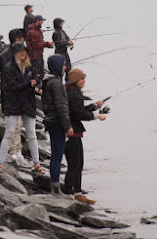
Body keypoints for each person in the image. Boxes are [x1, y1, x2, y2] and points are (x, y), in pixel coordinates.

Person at [0, 42, 44, 175]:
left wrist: (37, 87)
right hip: (13, 104)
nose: (23, 53)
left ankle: (37, 164)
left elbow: (37, 81)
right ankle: (0, 163)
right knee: (9, 133)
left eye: (25, 51)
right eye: (20, 51)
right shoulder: (9, 68)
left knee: (32, 135)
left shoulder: (31, 67)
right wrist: (29, 84)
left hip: (28, 104)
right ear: (15, 53)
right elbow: (13, 87)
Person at [64, 68, 106, 205]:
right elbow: (79, 115)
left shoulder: (71, 91)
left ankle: (75, 192)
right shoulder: (74, 94)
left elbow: (78, 110)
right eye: (82, 79)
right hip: (72, 134)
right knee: (75, 164)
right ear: (76, 80)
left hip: (72, 133)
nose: (84, 81)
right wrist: (97, 116)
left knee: (76, 164)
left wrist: (94, 106)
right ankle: (71, 194)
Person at [0, 28, 31, 167]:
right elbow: (9, 80)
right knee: (13, 127)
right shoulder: (5, 56)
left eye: (22, 38)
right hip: (11, 96)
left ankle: (17, 153)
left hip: (20, 96)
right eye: (18, 38)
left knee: (19, 126)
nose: (21, 40)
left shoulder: (21, 55)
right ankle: (13, 154)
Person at [42, 54, 73, 195]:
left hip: (51, 122)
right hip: (56, 124)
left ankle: (54, 184)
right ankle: (55, 187)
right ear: (57, 66)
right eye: (63, 65)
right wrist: (67, 127)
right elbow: (61, 107)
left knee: (56, 154)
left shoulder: (48, 81)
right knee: (57, 155)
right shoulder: (56, 84)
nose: (65, 67)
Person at [26, 15, 53, 80]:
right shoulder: (32, 32)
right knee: (36, 76)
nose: (42, 23)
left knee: (41, 75)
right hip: (34, 58)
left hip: (39, 56)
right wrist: (47, 44)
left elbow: (40, 43)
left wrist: (48, 45)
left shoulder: (38, 31)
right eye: (41, 21)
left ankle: (39, 87)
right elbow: (36, 45)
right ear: (37, 21)